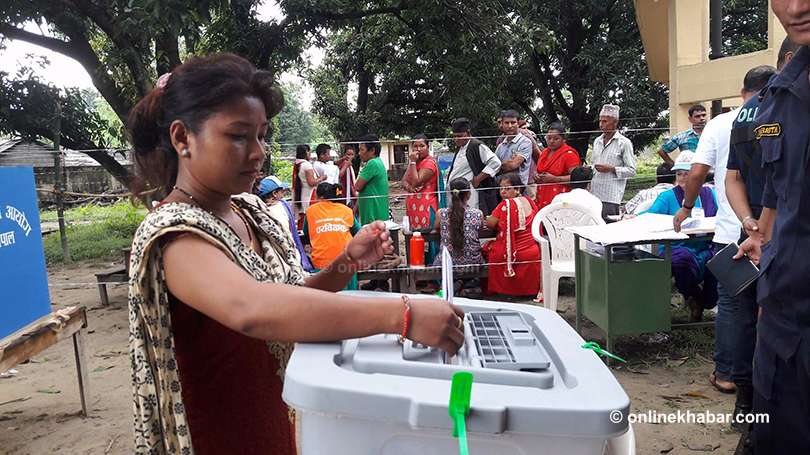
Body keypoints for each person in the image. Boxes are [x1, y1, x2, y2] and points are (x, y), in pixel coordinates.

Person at [126, 53, 465, 455]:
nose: (258, 153)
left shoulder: (248, 212)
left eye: (262, 135)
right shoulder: (174, 235)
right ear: (183, 138)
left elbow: (295, 295)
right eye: (238, 136)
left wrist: (347, 261)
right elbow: (252, 307)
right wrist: (401, 315)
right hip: (221, 432)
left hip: (272, 414)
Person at [735, 3, 810, 450]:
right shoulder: (778, 98)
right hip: (785, 330)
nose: (795, 6)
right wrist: (761, 237)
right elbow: (783, 194)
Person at [673, 66, 774, 396]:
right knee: (771, 306)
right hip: (775, 230)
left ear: (742, 91)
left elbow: (699, 170)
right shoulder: (783, 116)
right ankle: (764, 378)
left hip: (733, 231)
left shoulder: (722, 123)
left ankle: (729, 374)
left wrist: (686, 206)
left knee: (733, 305)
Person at [724, 39, 797, 434]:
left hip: (752, 232)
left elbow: (732, 177)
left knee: (746, 316)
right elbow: (785, 182)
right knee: (776, 321)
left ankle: (747, 408)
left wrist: (751, 223)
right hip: (787, 235)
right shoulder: (788, 109)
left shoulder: (743, 116)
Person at [642, 153, 719, 322]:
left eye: (687, 174)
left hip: (704, 245)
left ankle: (707, 301)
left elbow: (720, 216)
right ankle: (694, 295)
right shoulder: (668, 197)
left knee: (719, 258)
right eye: (679, 174)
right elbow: (648, 217)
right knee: (681, 260)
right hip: (676, 247)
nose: (683, 178)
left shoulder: (708, 194)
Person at [483, 174, 542, 297]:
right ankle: (528, 292)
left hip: (513, 251)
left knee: (487, 248)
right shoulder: (530, 201)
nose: (503, 192)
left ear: (518, 189)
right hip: (532, 251)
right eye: (501, 188)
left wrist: (487, 219)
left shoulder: (506, 205)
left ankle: (502, 291)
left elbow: (491, 223)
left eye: (507, 188)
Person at [303, 183, 360, 290]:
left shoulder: (311, 211)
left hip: (322, 264)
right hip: (347, 262)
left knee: (325, 299)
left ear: (319, 197)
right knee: (350, 297)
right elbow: (358, 232)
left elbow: (306, 233)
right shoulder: (346, 210)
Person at [590, 104, 637, 220]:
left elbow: (632, 170)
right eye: (600, 121)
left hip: (611, 196)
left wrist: (611, 169)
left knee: (609, 229)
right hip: (594, 194)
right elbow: (593, 164)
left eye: (605, 121)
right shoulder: (597, 141)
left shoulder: (624, 143)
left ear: (615, 122)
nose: (601, 124)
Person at [257, 176, 314, 272]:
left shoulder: (259, 211)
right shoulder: (280, 208)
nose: (283, 195)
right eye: (281, 191)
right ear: (274, 194)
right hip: (287, 256)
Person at [446, 117, 502, 214]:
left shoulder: (476, 145)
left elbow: (496, 163)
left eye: (459, 136)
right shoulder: (461, 147)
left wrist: (478, 178)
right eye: (454, 136)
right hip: (456, 194)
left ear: (468, 133)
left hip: (470, 194)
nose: (456, 139)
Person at [534, 122, 581, 209]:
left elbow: (576, 178)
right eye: (549, 138)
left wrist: (555, 179)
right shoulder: (545, 152)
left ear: (563, 139)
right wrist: (538, 177)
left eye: (556, 139)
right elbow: (541, 172)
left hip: (560, 198)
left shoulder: (569, 154)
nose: (551, 141)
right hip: (542, 194)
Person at [401, 134, 439, 230]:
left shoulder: (429, 163)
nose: (418, 149)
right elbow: (404, 181)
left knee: (427, 239)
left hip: (426, 209)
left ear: (428, 147)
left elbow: (417, 181)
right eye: (415, 146)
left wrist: (413, 162)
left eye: (422, 146)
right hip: (413, 210)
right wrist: (410, 188)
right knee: (414, 240)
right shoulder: (415, 163)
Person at [354, 134, 390, 225]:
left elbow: (357, 186)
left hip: (373, 214)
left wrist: (361, 169)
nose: (359, 153)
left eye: (362, 149)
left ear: (372, 150)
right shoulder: (378, 162)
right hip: (377, 213)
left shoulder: (372, 163)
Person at [494, 110, 535, 190]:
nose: (510, 126)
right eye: (506, 123)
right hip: (502, 188)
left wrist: (502, 165)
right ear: (502, 124)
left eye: (513, 122)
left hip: (518, 189)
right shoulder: (501, 145)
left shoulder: (525, 141)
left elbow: (512, 165)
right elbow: (493, 165)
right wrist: (505, 165)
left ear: (518, 123)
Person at [293, 144, 324, 215]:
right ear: (306, 153)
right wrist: (322, 178)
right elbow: (311, 182)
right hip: (309, 197)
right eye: (309, 151)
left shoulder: (297, 164)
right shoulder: (306, 165)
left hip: (301, 195)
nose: (310, 154)